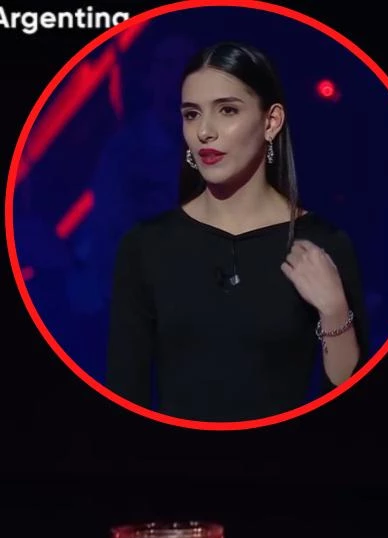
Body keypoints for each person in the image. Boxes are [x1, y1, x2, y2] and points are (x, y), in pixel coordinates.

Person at [106, 42, 368, 422]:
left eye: (227, 110)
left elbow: (348, 406)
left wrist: (333, 310)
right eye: (192, 114)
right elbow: (124, 395)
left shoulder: (323, 244)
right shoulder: (145, 247)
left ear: (271, 122)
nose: (204, 132)